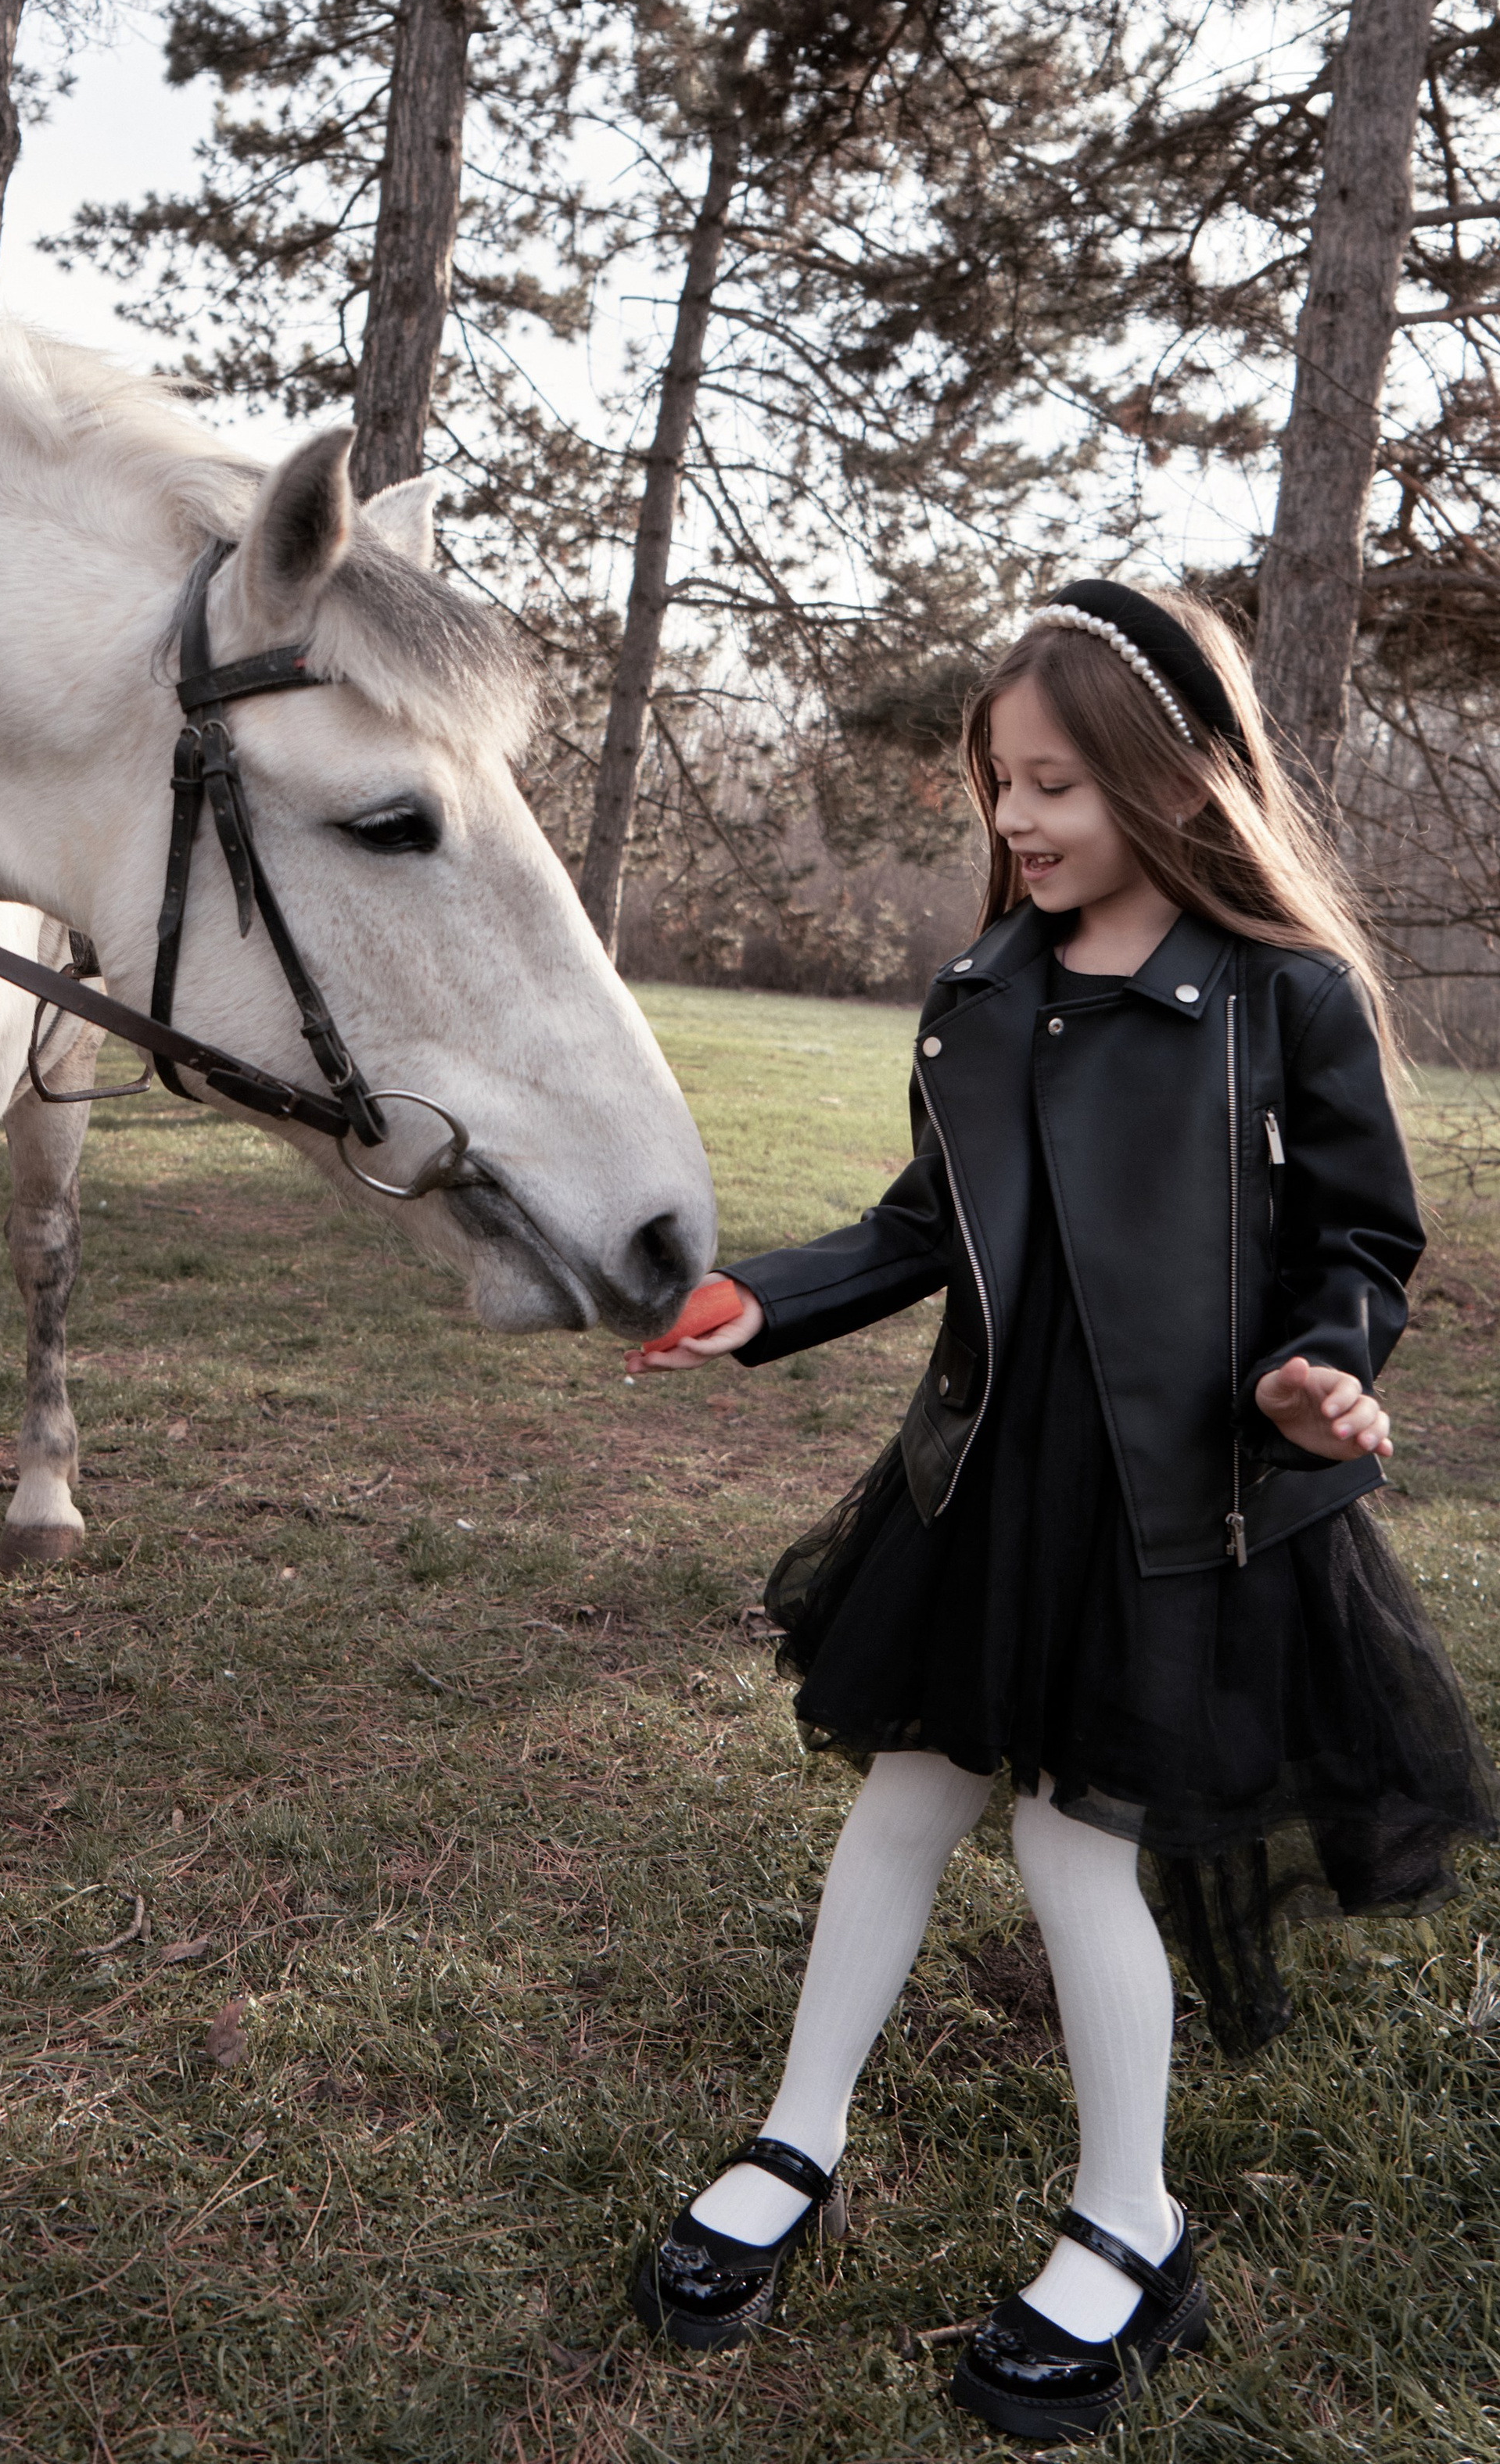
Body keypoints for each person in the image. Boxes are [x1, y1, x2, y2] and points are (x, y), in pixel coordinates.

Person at [624, 580, 1498, 2444]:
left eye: (1051, 786)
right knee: (905, 1800)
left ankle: (1131, 2219)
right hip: (982, 1490)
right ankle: (798, 2137)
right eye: (997, 785)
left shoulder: (1276, 993)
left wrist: (1321, 1366)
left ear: (1165, 781)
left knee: (1076, 1851)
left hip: (1179, 1506)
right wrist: (755, 1300)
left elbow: (1359, 1242)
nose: (1014, 823)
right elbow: (922, 1231)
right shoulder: (982, 995)